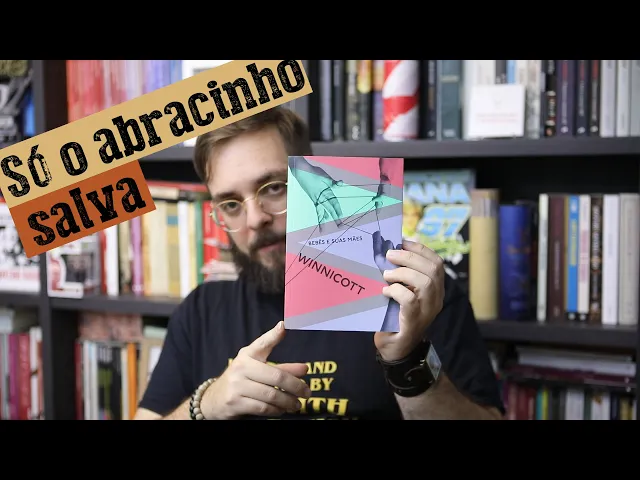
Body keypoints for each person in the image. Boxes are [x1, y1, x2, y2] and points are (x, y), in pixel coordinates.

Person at [134, 106, 504, 420]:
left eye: (274, 188)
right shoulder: (201, 311)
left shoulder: (416, 299)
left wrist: (406, 360)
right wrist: (207, 404)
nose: (255, 219)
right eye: (231, 204)